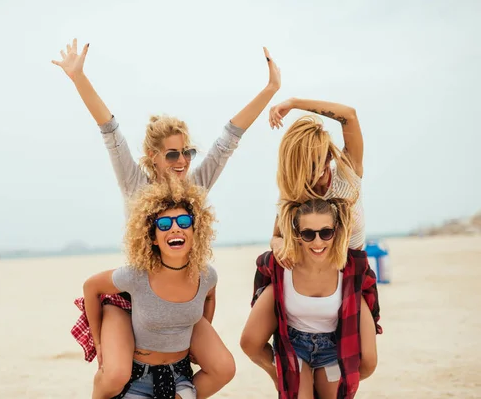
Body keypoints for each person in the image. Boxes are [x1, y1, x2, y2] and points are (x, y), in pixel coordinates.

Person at [52, 38, 281, 398]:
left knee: (222, 366)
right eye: (172, 154)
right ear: (153, 156)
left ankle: (179, 384)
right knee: (114, 375)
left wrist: (270, 89)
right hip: (135, 292)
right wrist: (78, 77)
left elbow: (229, 139)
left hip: (179, 292)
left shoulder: (195, 187)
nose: (182, 161)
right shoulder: (135, 184)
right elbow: (109, 130)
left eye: (187, 152)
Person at [240, 100, 379, 393]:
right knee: (259, 346)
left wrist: (293, 103)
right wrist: (279, 243)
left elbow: (349, 116)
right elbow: (277, 235)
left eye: (318, 164)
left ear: (329, 155)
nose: (314, 175)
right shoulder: (294, 189)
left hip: (347, 270)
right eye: (305, 168)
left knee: (365, 361)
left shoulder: (347, 174)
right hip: (306, 272)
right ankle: (283, 373)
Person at [83, 176, 220, 398]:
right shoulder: (135, 275)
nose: (175, 228)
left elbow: (210, 296)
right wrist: (98, 342)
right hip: (137, 378)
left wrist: (202, 330)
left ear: (195, 231)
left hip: (179, 374)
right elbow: (91, 286)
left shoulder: (206, 275)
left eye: (184, 222)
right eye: (164, 224)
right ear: (153, 238)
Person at [246, 198, 382, 398]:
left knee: (364, 366)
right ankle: (289, 378)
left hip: (332, 351)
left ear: (335, 230)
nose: (318, 242)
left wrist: (347, 374)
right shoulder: (283, 264)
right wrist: (277, 374)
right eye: (308, 234)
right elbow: (250, 343)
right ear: (297, 235)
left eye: (326, 232)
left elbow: (368, 364)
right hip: (294, 348)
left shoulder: (351, 266)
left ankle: (318, 380)